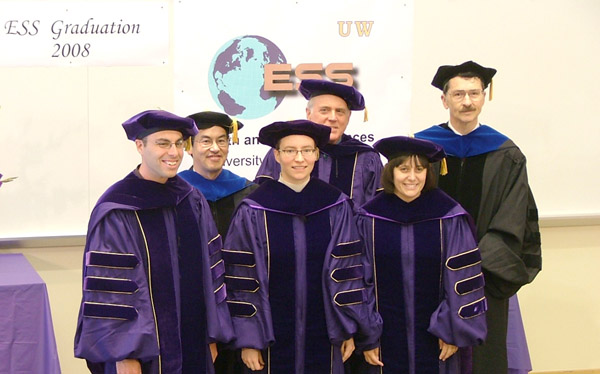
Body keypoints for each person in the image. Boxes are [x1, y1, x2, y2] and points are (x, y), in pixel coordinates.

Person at [74, 110, 235, 374]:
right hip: (143, 354)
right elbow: (111, 290)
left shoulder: (191, 200)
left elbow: (212, 273)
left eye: (179, 144)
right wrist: (124, 354)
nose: (173, 153)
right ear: (140, 145)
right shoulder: (119, 207)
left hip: (195, 344)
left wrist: (212, 334)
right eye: (163, 143)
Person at [224, 119, 382, 374]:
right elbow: (242, 278)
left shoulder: (336, 206)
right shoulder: (253, 209)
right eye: (290, 150)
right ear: (276, 155)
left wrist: (347, 329)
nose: (300, 158)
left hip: (326, 333)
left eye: (307, 150)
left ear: (317, 154)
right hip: (269, 338)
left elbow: (349, 273)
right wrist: (249, 339)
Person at [415, 61, 542, 374]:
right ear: (444, 100)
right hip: (426, 268)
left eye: (474, 93)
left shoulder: (506, 152)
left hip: (483, 273)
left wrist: (472, 263)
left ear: (485, 97)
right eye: (458, 94)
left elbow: (513, 216)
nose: (467, 101)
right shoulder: (421, 148)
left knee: (481, 359)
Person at [354, 136, 487, 374]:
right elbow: (359, 280)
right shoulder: (369, 218)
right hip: (383, 337)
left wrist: (451, 329)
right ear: (391, 172)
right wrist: (368, 335)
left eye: (420, 169)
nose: (412, 177)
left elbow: (464, 279)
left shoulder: (449, 217)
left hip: (438, 337)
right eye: (404, 169)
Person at [254, 79, 383, 208]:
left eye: (340, 112)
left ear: (348, 117)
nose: (333, 118)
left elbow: (375, 215)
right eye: (324, 110)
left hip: (349, 228)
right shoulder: (285, 151)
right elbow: (262, 203)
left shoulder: (366, 157)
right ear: (308, 114)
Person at [179, 111, 258, 240]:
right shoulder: (177, 192)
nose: (215, 148)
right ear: (189, 147)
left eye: (221, 141)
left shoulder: (248, 192)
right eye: (206, 141)